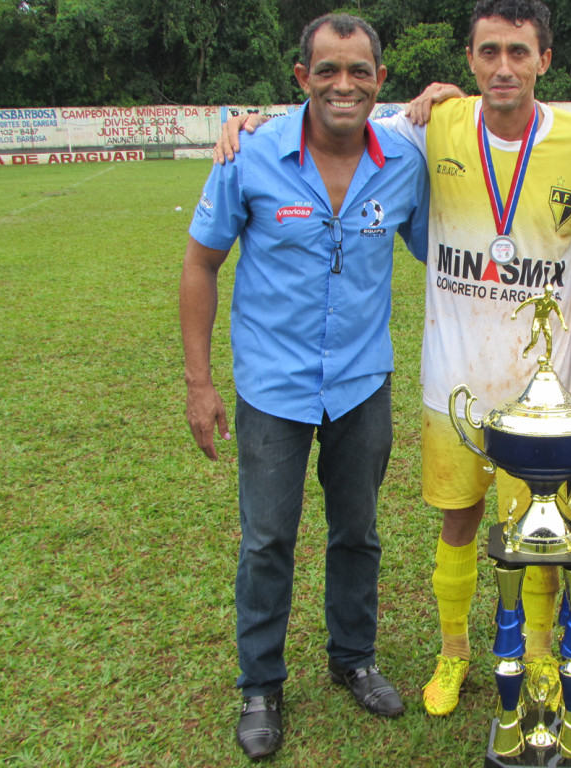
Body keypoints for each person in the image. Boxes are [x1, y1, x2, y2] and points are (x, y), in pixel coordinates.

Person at [214, 0, 571, 719]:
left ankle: (542, 655)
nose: (504, 67)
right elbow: (336, 112)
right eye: (489, 51)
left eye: (520, 52)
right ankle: (450, 655)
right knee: (455, 524)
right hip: (449, 385)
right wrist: (243, 128)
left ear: (545, 60)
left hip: (541, 400)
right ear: (468, 60)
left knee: (540, 534)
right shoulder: (430, 128)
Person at [179, 13, 428, 760]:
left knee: (359, 533)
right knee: (267, 540)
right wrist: (199, 383)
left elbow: (448, 241)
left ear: (380, 80)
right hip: (271, 389)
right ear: (302, 79)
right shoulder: (248, 154)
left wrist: (445, 99)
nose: (342, 84)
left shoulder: (405, 162)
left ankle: (353, 659)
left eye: (359, 71)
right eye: (327, 70)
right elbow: (200, 265)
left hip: (361, 383)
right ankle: (261, 683)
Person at [512, 284, 569, 359]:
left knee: (549, 339)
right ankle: (527, 349)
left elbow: (559, 312)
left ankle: (548, 360)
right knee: (534, 341)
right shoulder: (538, 299)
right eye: (548, 292)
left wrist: (563, 323)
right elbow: (526, 303)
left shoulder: (552, 302)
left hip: (545, 320)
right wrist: (515, 312)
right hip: (537, 320)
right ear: (545, 291)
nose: (549, 294)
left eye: (551, 293)